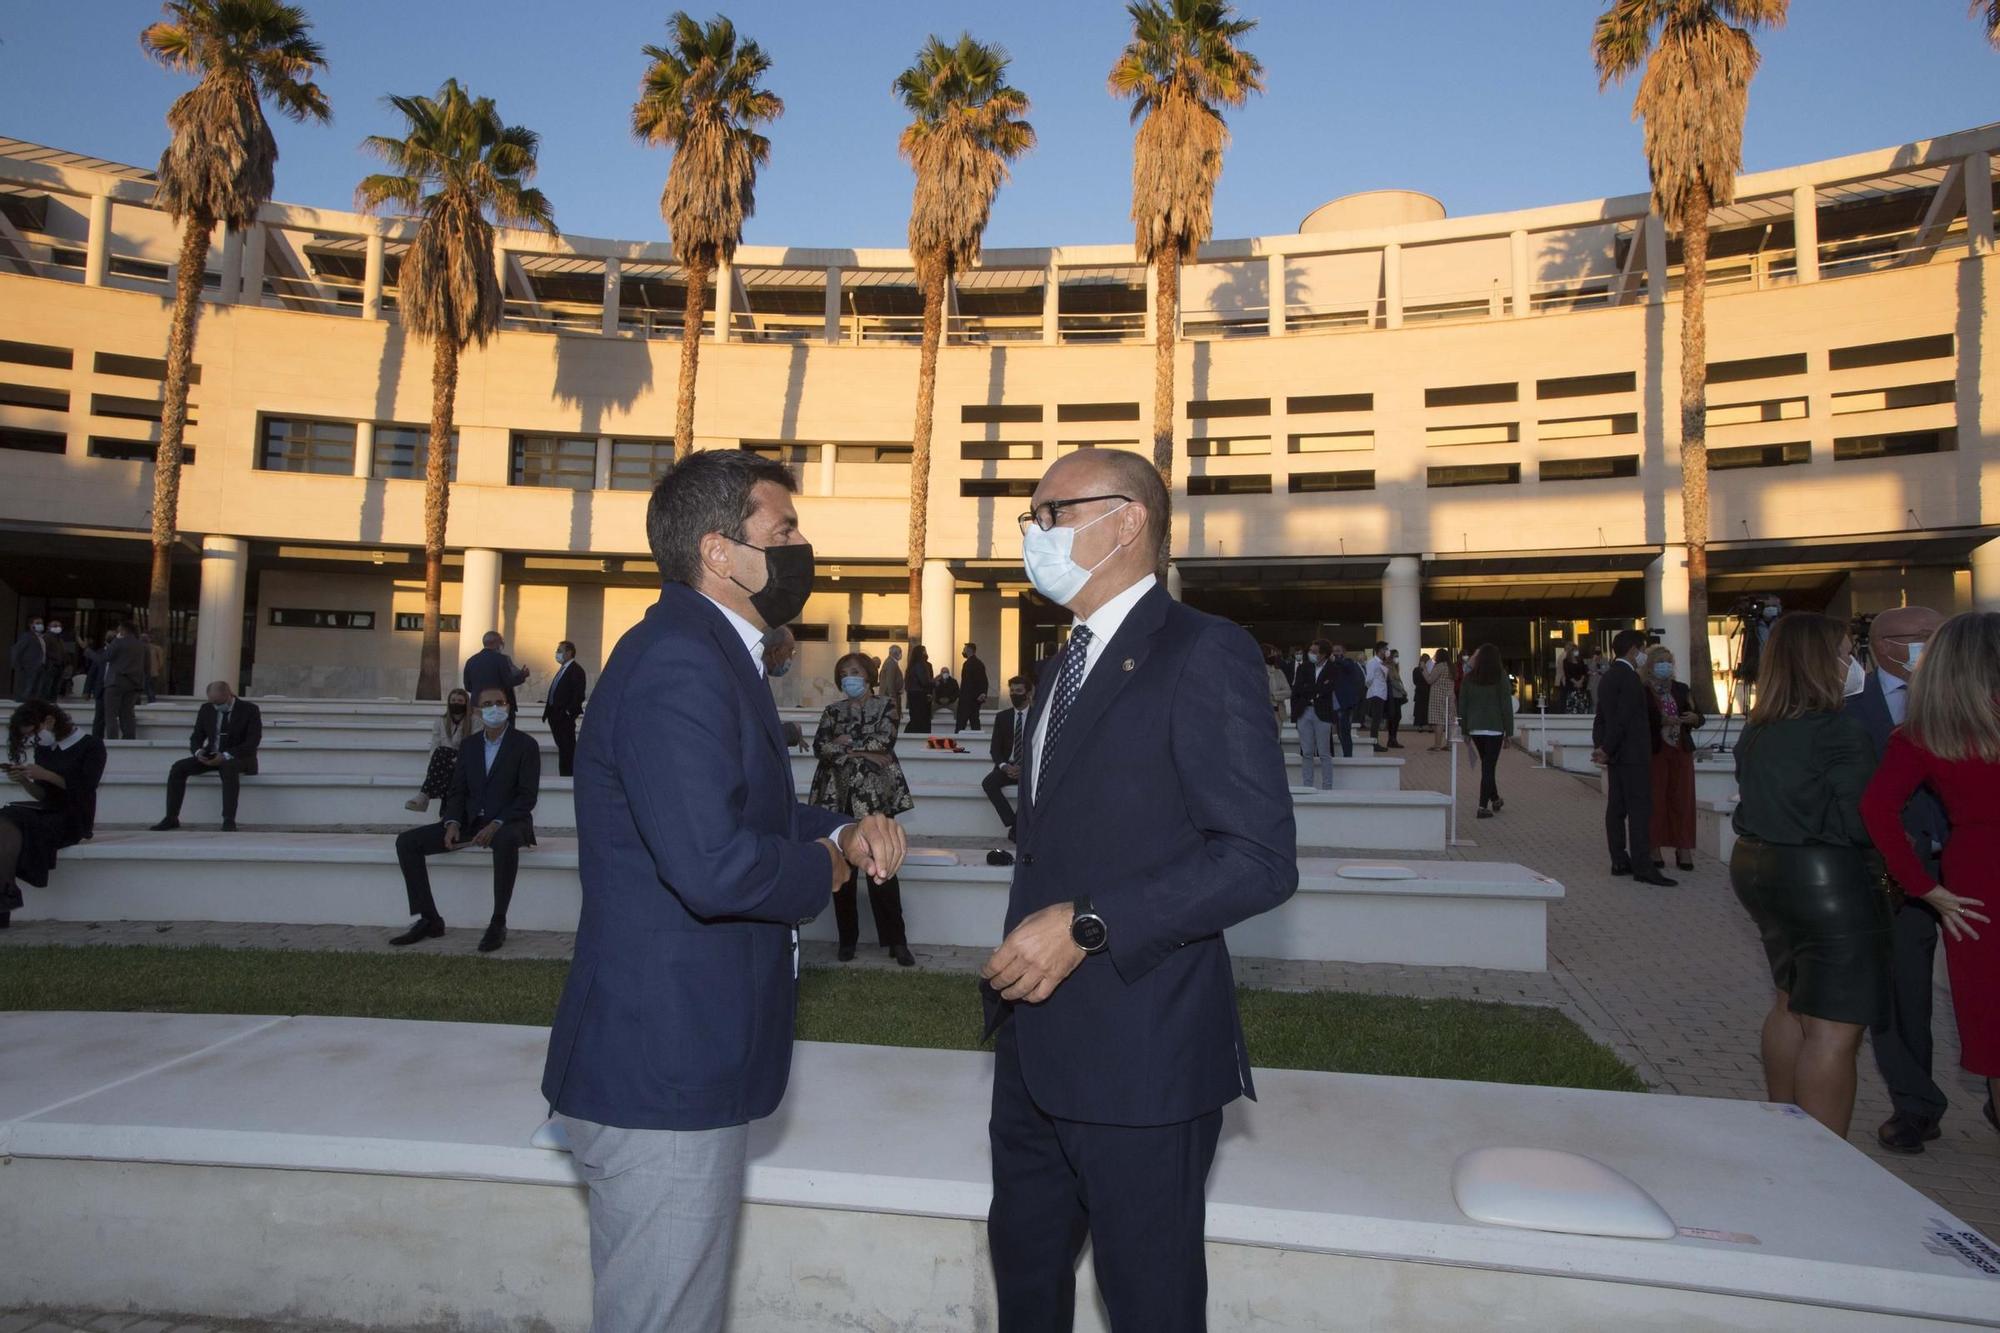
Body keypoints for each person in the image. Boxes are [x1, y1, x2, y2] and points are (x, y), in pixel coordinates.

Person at [540, 448, 904, 1333]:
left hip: (685, 1057)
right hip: (663, 1067)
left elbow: (752, 811)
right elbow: (714, 865)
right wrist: (831, 865)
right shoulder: (679, 661)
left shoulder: (711, 652)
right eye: (783, 531)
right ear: (718, 551)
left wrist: (838, 827)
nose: (800, 548)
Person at [982, 446, 1297, 1333]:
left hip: (1143, 1062)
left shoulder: (1204, 652)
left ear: (1126, 521)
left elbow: (1261, 855)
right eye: (1031, 519)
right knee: (1027, 1290)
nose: (1033, 536)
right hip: (1035, 1053)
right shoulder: (1061, 662)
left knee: (1149, 1302)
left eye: (1051, 514)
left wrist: (1089, 925)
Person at [1728, 612, 1888, 1138]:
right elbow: (1862, 822)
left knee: (1789, 1000)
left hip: (1760, 870)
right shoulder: (1839, 731)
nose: (1852, 664)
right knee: (1834, 1029)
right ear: (1821, 662)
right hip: (1826, 881)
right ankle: (1826, 1158)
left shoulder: (1758, 731)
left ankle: (1783, 1125)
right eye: (1845, 654)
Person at [1862, 611, 2000, 1144]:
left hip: (1972, 880)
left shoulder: (1922, 733)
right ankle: (1915, 1106)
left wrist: (1928, 888)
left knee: (1988, 1013)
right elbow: (1878, 810)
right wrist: (1922, 886)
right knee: (1915, 997)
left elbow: (1877, 808)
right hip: (1968, 885)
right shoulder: (1921, 732)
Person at [1849, 606, 1954, 1154]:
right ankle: (1915, 1105)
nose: (1933, 647)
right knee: (1902, 992)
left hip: (1970, 866)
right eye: (1925, 638)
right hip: (1892, 874)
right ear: (1888, 644)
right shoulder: (1849, 709)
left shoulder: (1966, 700)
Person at [391, 684, 541, 954]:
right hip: (471, 823)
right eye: (487, 704)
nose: (494, 709)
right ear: (477, 710)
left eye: (500, 703)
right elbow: (458, 791)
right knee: (407, 842)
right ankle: (429, 919)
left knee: (505, 842)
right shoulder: (469, 746)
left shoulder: (525, 745)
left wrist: (496, 824)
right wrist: (452, 823)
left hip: (510, 822)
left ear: (508, 706)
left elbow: (526, 797)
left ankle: (498, 922)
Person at [811, 652, 916, 966]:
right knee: (843, 875)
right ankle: (847, 941)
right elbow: (820, 747)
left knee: (883, 872)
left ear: (869, 675)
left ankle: (897, 942)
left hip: (874, 799)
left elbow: (884, 741)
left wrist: (845, 744)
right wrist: (860, 750)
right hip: (837, 798)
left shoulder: (886, 705)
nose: (849, 677)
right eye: (843, 672)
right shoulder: (832, 710)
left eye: (854, 671)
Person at [1, 699, 106, 929]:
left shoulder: (91, 745)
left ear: (49, 721)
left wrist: (46, 774)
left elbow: (85, 789)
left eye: (33, 733)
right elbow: (43, 796)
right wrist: (25, 782)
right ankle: (5, 893)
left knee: (15, 821)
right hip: (49, 808)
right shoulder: (45, 749)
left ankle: (6, 898)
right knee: (5, 816)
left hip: (74, 815)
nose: (33, 740)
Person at [1592, 628, 1675, 886]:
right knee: (1639, 809)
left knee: (1616, 808)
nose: (1643, 655)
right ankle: (1642, 865)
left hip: (1616, 755)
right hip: (1632, 754)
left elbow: (1602, 717)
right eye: (1641, 649)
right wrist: (1607, 748)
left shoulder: (1607, 678)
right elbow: (1623, 719)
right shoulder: (1629, 679)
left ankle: (1619, 859)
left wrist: (1602, 747)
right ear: (1632, 650)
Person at [150, 681, 262, 832]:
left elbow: (252, 741)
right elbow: (196, 736)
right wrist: (198, 752)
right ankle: (171, 817)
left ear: (228, 695)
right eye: (213, 702)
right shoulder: (206, 709)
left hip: (240, 757)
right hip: (211, 754)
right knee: (178, 768)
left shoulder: (249, 710)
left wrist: (226, 755)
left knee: (228, 768)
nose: (216, 706)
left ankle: (228, 819)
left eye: (219, 702)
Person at [1644, 645, 1704, 873]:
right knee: (1656, 799)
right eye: (1660, 662)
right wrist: (1660, 721)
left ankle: (1683, 847)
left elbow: (1699, 716)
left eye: (1668, 661)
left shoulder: (1681, 689)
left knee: (1683, 800)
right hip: (1657, 752)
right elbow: (1642, 720)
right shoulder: (1644, 691)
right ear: (1650, 666)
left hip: (1681, 750)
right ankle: (1654, 847)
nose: (1665, 666)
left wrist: (1694, 718)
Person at [1458, 643, 1514, 820]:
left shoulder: (1469, 677)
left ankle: (1495, 798)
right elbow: (1506, 705)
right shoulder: (1500, 676)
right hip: (1495, 727)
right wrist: (1509, 732)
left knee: (1486, 764)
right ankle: (1482, 806)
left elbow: (1463, 705)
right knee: (1489, 767)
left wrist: (1464, 729)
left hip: (1475, 728)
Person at [407, 688, 476, 814]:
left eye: (460, 700)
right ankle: (446, 815)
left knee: (444, 755)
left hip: (466, 760)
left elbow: (475, 746)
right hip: (443, 762)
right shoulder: (440, 721)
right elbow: (435, 743)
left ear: (466, 703)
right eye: (453, 700)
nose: (456, 703)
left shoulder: (475, 721)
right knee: (443, 757)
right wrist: (438, 760)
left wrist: (458, 759)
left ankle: (425, 795)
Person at [984, 675, 1033, 839]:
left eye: (1019, 691)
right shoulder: (1002, 717)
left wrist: (1024, 768)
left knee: (1033, 788)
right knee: (988, 783)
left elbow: (1041, 747)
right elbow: (994, 749)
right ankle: (1013, 822)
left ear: (1028, 693)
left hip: (1028, 769)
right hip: (1007, 766)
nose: (1014, 694)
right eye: (1012, 691)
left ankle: (1017, 829)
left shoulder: (1038, 716)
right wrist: (1005, 766)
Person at [1290, 639, 1336, 788]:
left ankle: (1327, 786)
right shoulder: (1304, 667)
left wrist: (1312, 689)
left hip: (1323, 713)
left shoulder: (1332, 668)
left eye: (1315, 652)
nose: (1311, 654)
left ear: (1323, 654)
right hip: (1304, 711)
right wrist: (1316, 690)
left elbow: (1328, 689)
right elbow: (1297, 689)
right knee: (1307, 752)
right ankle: (1307, 785)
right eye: (1310, 651)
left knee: (1324, 752)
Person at [543, 639, 587, 778]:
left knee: (567, 748)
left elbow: (578, 694)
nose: (557, 654)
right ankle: (565, 774)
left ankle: (568, 776)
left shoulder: (576, 670)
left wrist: (568, 713)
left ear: (569, 653)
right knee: (563, 747)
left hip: (564, 717)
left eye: (560, 651)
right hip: (554, 716)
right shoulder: (563, 670)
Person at [462, 631, 530, 718]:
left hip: (478, 706)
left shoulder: (471, 661)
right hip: (500, 706)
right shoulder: (502, 659)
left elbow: (467, 686)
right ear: (496, 642)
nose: (502, 645)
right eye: (501, 642)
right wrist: (522, 675)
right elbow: (508, 682)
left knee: (479, 730)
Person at [100, 622, 149, 740]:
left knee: (111, 714)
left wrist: (88, 652)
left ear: (123, 630)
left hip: (115, 682)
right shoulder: (142, 645)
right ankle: (129, 738)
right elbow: (147, 667)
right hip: (133, 683)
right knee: (127, 713)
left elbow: (105, 657)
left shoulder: (118, 642)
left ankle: (112, 739)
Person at [1424, 647, 1456, 751]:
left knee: (1439, 721)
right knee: (1450, 720)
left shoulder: (1439, 666)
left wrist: (1424, 669)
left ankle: (1437, 745)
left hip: (1438, 695)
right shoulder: (1451, 667)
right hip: (1450, 695)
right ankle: (1450, 744)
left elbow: (1430, 680)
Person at [10, 617, 47, 701]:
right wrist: (16, 664)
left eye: (41, 623)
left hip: (41, 666)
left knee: (37, 688)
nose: (40, 625)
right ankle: (22, 703)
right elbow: (16, 650)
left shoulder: (41, 637)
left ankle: (33, 704)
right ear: (31, 625)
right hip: (29, 666)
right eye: (37, 623)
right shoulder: (27, 636)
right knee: (27, 688)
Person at [1362, 640, 1390, 752]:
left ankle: (1375, 742)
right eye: (1385, 649)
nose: (1387, 652)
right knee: (1376, 721)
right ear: (1380, 650)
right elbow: (1368, 679)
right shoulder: (1372, 662)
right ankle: (1374, 743)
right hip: (1376, 693)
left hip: (1381, 694)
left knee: (1377, 720)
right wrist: (1373, 689)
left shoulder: (1381, 663)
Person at [957, 642, 990, 734]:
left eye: (964, 649)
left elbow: (979, 680)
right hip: (974, 698)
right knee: (974, 721)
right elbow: (984, 680)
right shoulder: (977, 663)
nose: (963, 651)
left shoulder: (971, 664)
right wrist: (982, 693)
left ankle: (957, 741)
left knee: (961, 722)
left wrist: (982, 693)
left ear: (969, 650)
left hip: (968, 698)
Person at [904, 643, 935, 733]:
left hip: (914, 694)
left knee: (915, 717)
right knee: (920, 718)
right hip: (919, 695)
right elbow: (924, 682)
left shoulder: (912, 665)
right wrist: (934, 682)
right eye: (924, 651)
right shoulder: (919, 665)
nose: (926, 653)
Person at [1261, 643, 1291, 730]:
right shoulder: (1256, 672)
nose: (1274, 656)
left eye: (1275, 653)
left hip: (1278, 713)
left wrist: (1274, 695)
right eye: (1272, 653)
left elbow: (1288, 691)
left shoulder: (1279, 672)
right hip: (1262, 714)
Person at [44, 620, 74, 699]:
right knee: (48, 687)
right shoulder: (47, 637)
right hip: (50, 666)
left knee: (55, 686)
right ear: (49, 627)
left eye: (59, 626)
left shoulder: (60, 639)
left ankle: (52, 701)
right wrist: (56, 658)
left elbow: (63, 652)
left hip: (59, 666)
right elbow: (45, 651)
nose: (57, 628)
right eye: (55, 626)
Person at [1384, 648, 1407, 749]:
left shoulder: (1395, 667)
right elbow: (1393, 681)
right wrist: (1403, 691)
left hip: (1397, 695)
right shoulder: (1388, 667)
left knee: (1396, 717)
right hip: (1393, 696)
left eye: (1397, 656)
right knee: (1394, 717)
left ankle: (1393, 738)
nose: (1397, 658)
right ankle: (1392, 739)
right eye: (1395, 656)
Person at [1561, 644, 1593, 714]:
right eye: (1575, 650)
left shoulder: (1580, 660)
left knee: (1582, 707)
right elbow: (1567, 674)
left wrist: (1581, 681)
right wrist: (1576, 682)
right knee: (1572, 707)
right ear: (1571, 651)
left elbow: (1584, 672)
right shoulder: (1566, 661)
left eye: (1577, 650)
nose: (1576, 652)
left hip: (1581, 687)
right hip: (1571, 687)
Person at [880, 643, 904, 720]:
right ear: (896, 653)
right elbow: (890, 681)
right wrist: (892, 697)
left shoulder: (891, 662)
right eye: (900, 652)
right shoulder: (891, 663)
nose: (901, 655)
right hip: (890, 696)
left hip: (892, 695)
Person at [141, 629, 164, 703]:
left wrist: (156, 669)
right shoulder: (139, 648)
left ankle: (152, 702)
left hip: (151, 672)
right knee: (148, 687)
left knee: (150, 688)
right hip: (145, 672)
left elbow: (161, 662)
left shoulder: (156, 649)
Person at [1412, 650, 1432, 733]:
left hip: (1420, 691)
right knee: (1427, 709)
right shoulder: (1428, 670)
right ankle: (1429, 726)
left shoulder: (1416, 670)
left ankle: (1420, 726)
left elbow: (1414, 681)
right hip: (1427, 691)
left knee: (1420, 709)